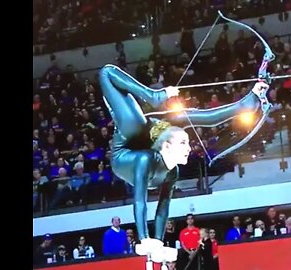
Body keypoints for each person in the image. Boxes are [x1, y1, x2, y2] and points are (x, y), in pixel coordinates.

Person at [99, 64, 270, 246]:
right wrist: (143, 239)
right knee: (112, 80)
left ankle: (245, 104)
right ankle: (152, 95)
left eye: (187, 143)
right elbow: (140, 200)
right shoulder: (148, 150)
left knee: (176, 120)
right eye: (184, 143)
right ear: (167, 145)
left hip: (148, 148)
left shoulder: (172, 170)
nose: (190, 148)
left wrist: (252, 97)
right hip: (126, 153)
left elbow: (210, 116)